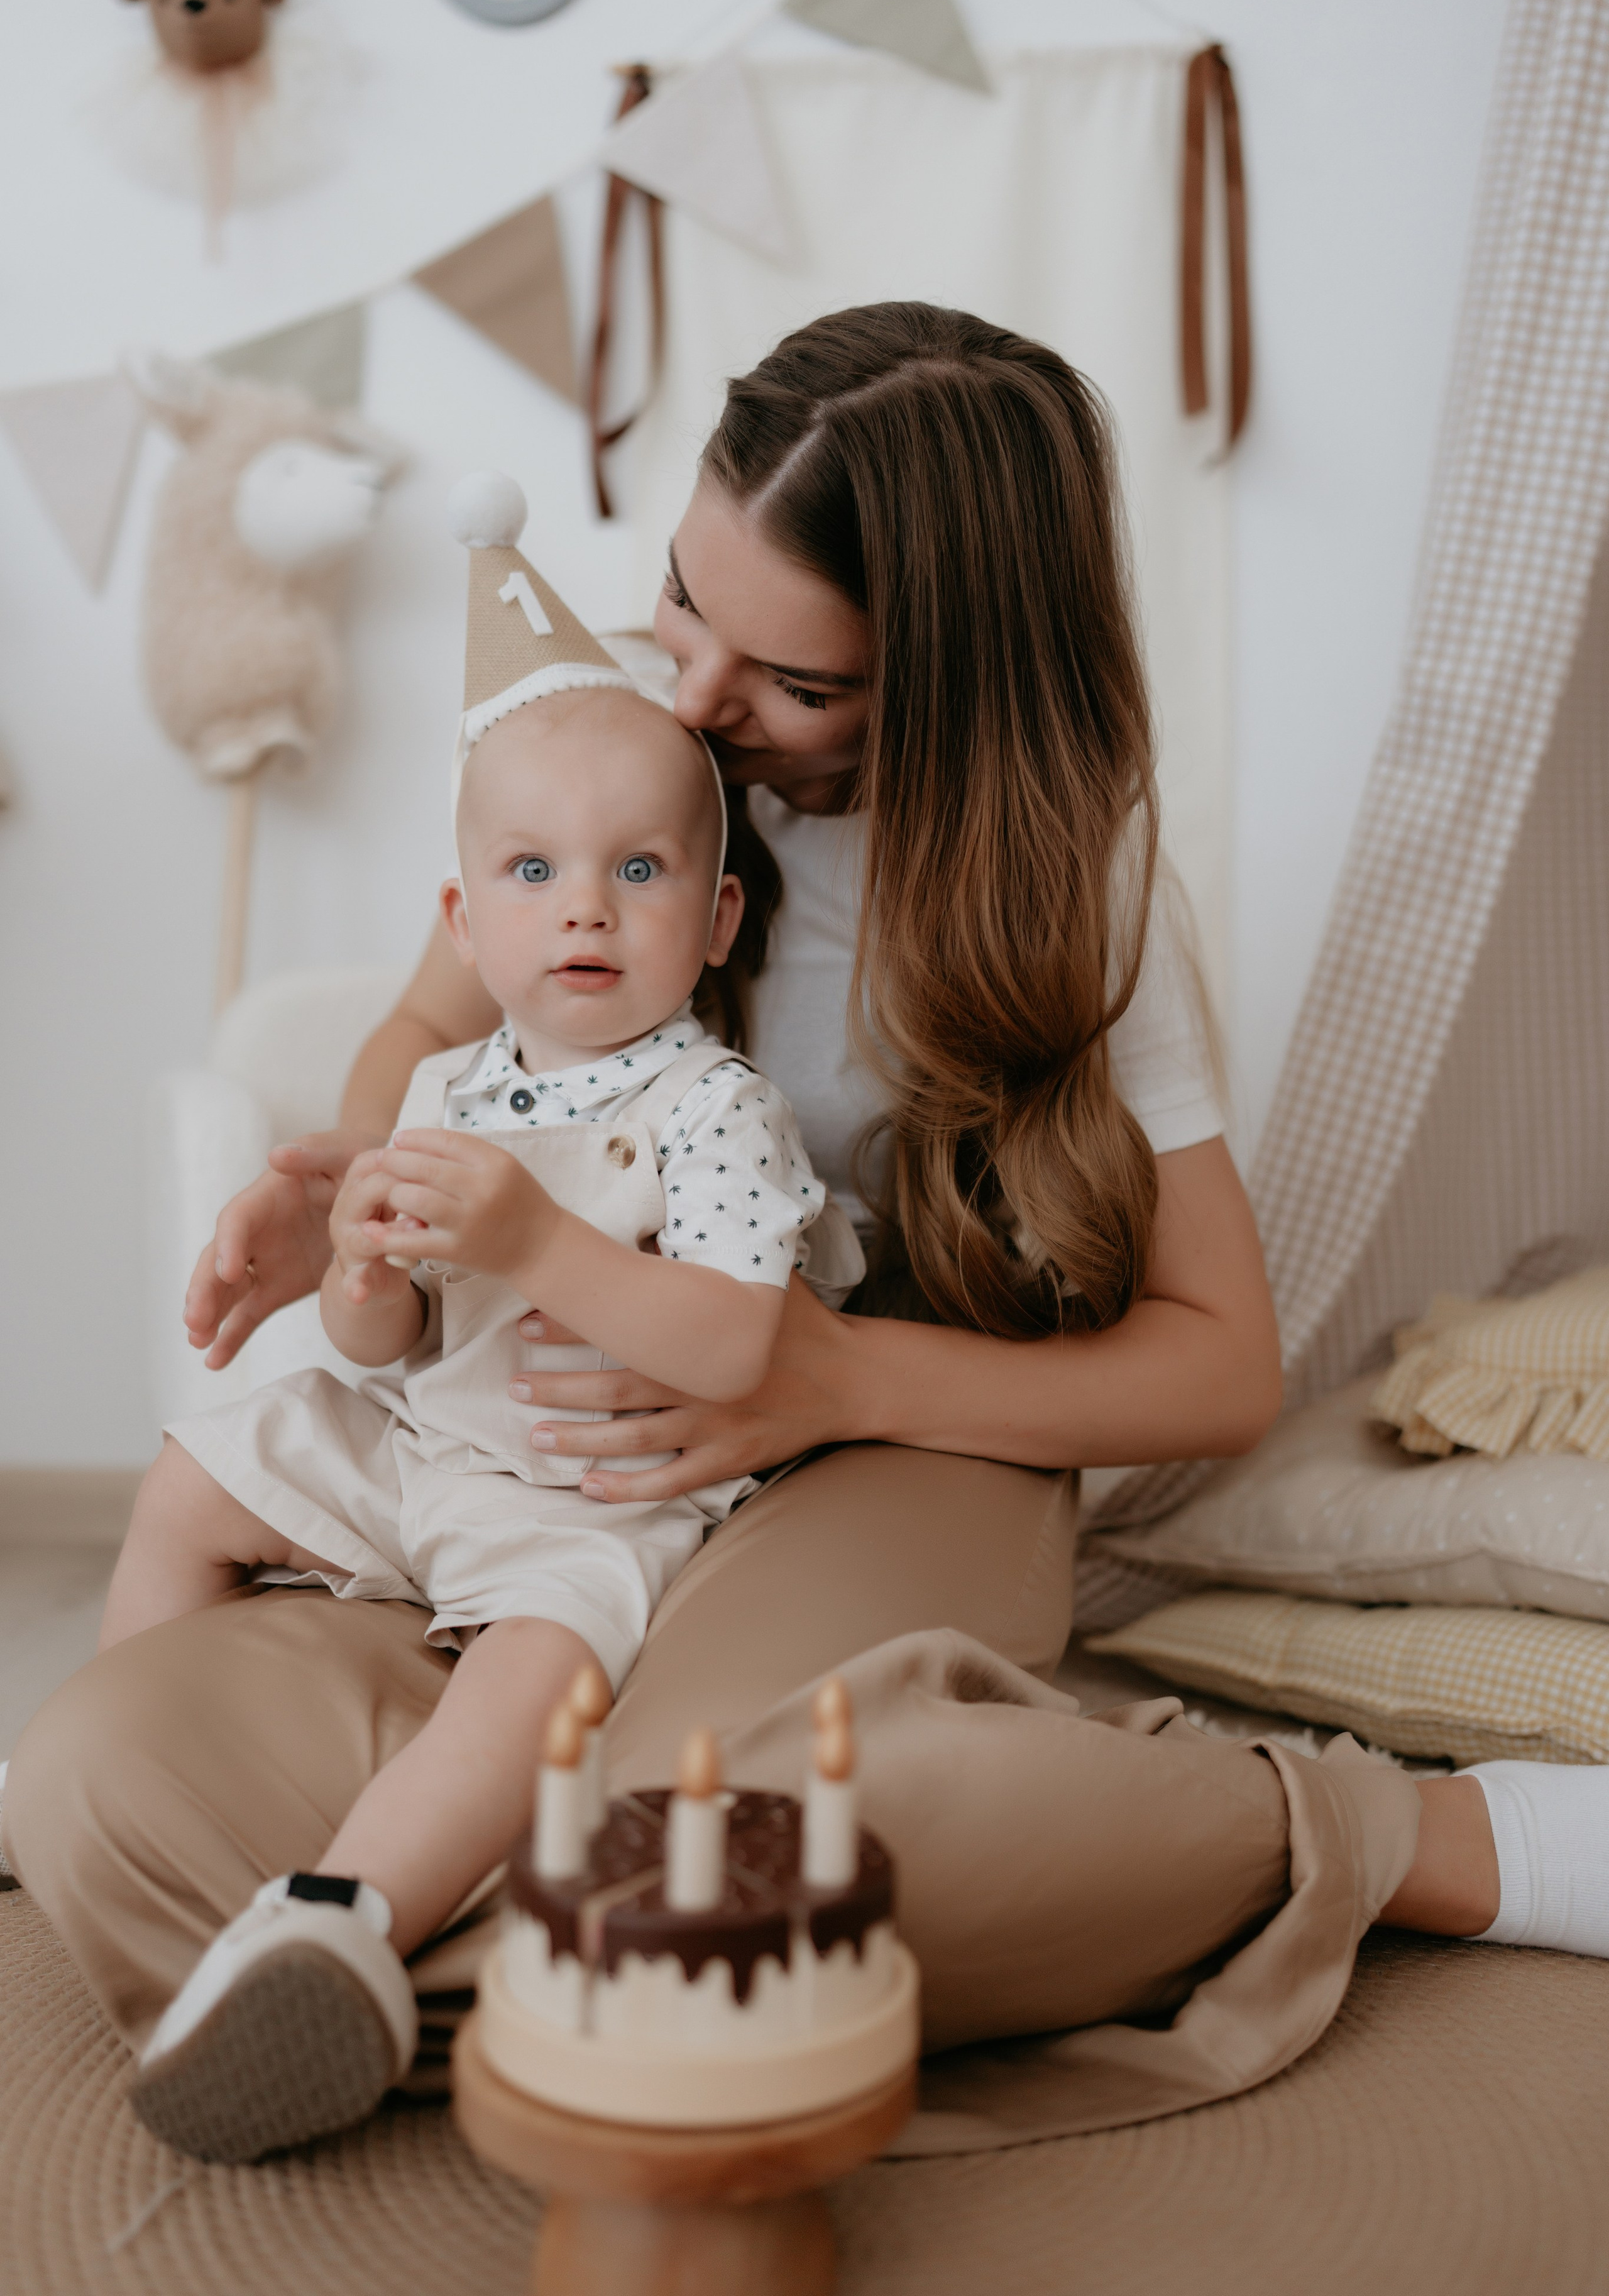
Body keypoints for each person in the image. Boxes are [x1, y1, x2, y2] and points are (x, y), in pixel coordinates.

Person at [11, 302, 1559, 2166]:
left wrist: (819, 1375)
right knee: (107, 1765)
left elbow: (1221, 1363)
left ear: (951, 677)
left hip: (897, 1430)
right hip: (553, 1453)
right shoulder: (632, 744)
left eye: (793, 684)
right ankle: (497, 1946)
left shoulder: (1075, 886)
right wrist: (353, 1180)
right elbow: (441, 1029)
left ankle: (1401, 1838)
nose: (691, 701)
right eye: (681, 604)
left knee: (716, 1823)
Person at [95, 523, 865, 2160]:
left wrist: (535, 1237)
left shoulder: (716, 1110)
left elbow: (740, 1348)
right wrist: (361, 1274)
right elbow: (384, 1345)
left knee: (533, 1685)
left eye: (637, 873)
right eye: (533, 874)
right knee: (197, 1473)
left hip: (582, 1496)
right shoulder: (448, 1091)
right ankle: (121, 1757)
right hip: (421, 1448)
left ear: (717, 916)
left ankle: (339, 1920)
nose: (583, 910)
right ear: (467, 912)